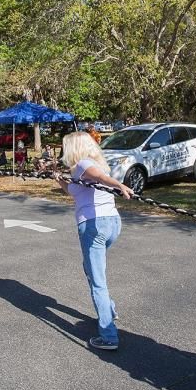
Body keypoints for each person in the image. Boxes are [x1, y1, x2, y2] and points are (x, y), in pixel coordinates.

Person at [53, 131, 133, 351]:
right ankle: (109, 309)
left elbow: (98, 176)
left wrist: (119, 186)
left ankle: (108, 337)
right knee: (91, 269)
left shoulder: (84, 165)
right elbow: (74, 192)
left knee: (97, 281)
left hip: (93, 226)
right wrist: (59, 179)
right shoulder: (85, 167)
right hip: (111, 224)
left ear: (74, 148)